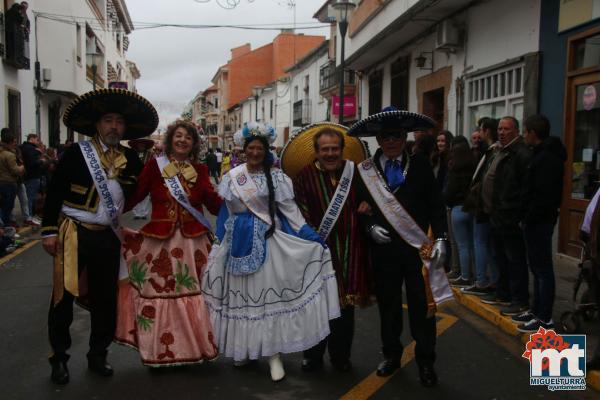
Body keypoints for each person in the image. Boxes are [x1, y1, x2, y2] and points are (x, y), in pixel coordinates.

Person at [201, 122, 340, 382]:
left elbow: (292, 214)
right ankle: (245, 350)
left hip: (268, 242)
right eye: (250, 148)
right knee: (242, 298)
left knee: (265, 300)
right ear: (244, 150)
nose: (254, 153)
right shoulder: (232, 177)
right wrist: (218, 243)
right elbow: (225, 214)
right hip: (237, 244)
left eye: (259, 149)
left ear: (266, 151)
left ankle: (274, 354)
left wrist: (312, 238)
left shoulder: (277, 177)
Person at [41, 88, 157, 385]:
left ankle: (97, 354)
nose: (114, 126)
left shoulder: (131, 158)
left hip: (108, 236)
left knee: (105, 300)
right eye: (108, 120)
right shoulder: (76, 153)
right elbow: (54, 192)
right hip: (73, 233)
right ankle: (59, 359)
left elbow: (144, 190)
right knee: (62, 299)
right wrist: (49, 231)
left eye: (119, 121)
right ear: (97, 125)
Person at [349, 107, 452, 388]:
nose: (391, 141)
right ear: (378, 140)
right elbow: (359, 208)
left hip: (417, 250)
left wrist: (441, 237)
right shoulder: (365, 170)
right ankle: (391, 355)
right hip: (384, 252)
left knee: (423, 307)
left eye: (396, 135)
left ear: (404, 136)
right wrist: (370, 226)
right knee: (390, 307)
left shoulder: (419, 165)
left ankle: (426, 361)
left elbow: (435, 206)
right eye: (385, 136)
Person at [115, 120, 222, 366]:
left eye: (188, 138)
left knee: (195, 295)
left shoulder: (201, 170)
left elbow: (213, 203)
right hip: (159, 241)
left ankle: (197, 347)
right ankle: (157, 352)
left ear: (194, 144)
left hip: (193, 243)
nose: (183, 140)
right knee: (159, 295)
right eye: (179, 136)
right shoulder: (155, 167)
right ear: (171, 140)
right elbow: (137, 194)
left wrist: (238, 204)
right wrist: (111, 211)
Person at [288, 124, 372, 373]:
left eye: (335, 149)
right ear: (316, 151)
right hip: (318, 250)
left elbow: (368, 198)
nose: (330, 154)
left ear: (342, 150)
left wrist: (367, 203)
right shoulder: (304, 176)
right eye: (325, 149)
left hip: (349, 250)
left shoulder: (353, 172)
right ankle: (312, 356)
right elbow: (299, 213)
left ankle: (340, 356)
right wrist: (313, 238)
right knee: (315, 305)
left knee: (345, 310)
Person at [511, 115, 565, 332]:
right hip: (534, 221)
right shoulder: (540, 155)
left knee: (542, 270)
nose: (524, 136)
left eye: (525, 132)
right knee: (537, 268)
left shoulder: (547, 159)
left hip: (539, 222)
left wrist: (528, 218)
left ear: (533, 133)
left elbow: (542, 196)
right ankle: (536, 311)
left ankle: (544, 317)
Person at [481, 116, 531, 316]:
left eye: (506, 129)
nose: (501, 132)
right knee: (500, 257)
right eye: (500, 129)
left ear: (516, 131)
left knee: (515, 260)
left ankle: (519, 300)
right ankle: (503, 293)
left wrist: (515, 214)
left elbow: (522, 188)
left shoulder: (520, 153)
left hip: (510, 217)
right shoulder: (500, 151)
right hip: (496, 215)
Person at [444, 137, 483, 289]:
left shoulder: (455, 171)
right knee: (474, 244)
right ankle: (475, 275)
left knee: (462, 245)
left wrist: (446, 200)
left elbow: (449, 193)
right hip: (471, 209)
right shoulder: (474, 169)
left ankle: (465, 276)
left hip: (457, 209)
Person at [0, 128, 25, 226]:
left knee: (3, 206)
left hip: (2, 182)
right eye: (14, 142)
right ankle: (5, 227)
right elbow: (15, 170)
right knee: (8, 207)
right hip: (9, 183)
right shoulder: (9, 155)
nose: (15, 144)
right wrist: (22, 167)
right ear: (9, 143)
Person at [20, 133, 47, 224]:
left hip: (30, 176)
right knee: (30, 197)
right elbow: (32, 163)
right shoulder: (30, 149)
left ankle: (30, 216)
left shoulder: (26, 148)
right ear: (31, 139)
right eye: (37, 139)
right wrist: (41, 160)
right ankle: (29, 216)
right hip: (33, 176)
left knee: (30, 197)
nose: (38, 141)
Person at [128, 138, 154, 220]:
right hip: (135, 178)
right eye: (140, 144)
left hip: (147, 178)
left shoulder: (150, 154)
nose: (142, 145)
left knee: (146, 196)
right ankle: (137, 213)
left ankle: (144, 213)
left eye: (143, 144)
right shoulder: (132, 154)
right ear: (137, 145)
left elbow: (153, 165)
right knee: (136, 195)